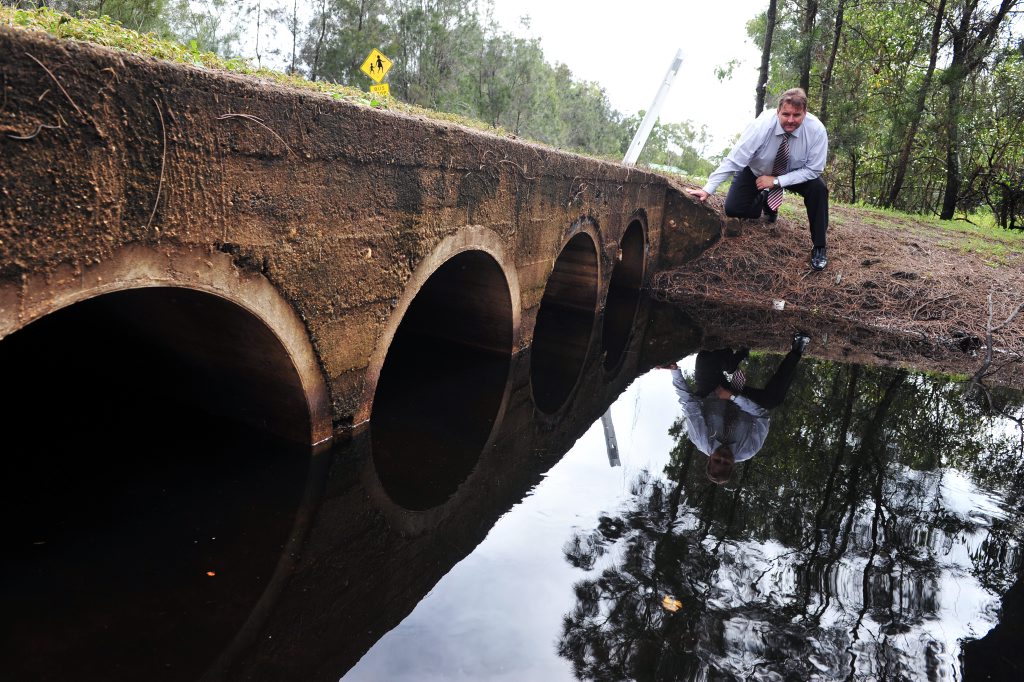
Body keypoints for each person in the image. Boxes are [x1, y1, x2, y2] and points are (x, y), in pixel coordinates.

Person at [686, 88, 830, 271]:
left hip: (796, 174)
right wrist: (708, 189)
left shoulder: (816, 130)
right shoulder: (761, 125)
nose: (791, 120)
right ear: (778, 111)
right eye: (786, 114)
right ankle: (766, 201)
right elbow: (735, 159)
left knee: (818, 188)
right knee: (733, 208)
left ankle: (819, 247)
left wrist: (777, 181)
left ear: (805, 113)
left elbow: (814, 169)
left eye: (796, 115)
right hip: (757, 170)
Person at [663, 333, 810, 484]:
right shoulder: (749, 450)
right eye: (726, 463)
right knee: (773, 399)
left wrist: (675, 371)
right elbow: (762, 416)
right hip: (743, 400)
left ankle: (733, 360)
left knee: (705, 357)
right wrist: (734, 397)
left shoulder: (700, 439)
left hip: (714, 392)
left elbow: (690, 405)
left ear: (709, 459)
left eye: (717, 460)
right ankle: (797, 350)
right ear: (733, 465)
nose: (723, 458)